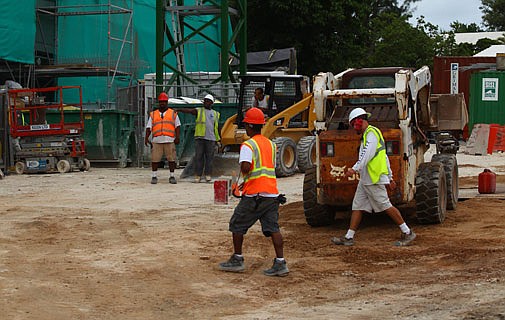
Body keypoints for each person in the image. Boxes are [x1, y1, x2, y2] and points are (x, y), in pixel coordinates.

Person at [331, 107, 416, 246]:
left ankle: (407, 232)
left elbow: (366, 156)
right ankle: (349, 237)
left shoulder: (371, 135)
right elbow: (384, 157)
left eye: (353, 125)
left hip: (373, 179)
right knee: (357, 206)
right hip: (366, 180)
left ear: (358, 121)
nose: (353, 128)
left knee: (385, 205)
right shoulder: (369, 135)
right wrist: (390, 177)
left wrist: (354, 169)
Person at [218, 107, 289, 277]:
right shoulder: (271, 145)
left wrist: (244, 177)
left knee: (237, 224)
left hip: (254, 196)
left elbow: (246, 166)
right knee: (273, 229)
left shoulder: (248, 145)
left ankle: (237, 259)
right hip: (271, 194)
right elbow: (266, 168)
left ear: (249, 126)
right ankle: (280, 263)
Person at [176, 94, 220, 183]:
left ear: (211, 103)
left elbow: (216, 128)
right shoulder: (199, 111)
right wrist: (179, 110)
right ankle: (198, 175)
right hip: (200, 138)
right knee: (199, 157)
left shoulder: (215, 114)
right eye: (205, 101)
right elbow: (189, 111)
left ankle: (208, 174)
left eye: (208, 101)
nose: (206, 102)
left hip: (211, 138)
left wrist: (218, 139)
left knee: (209, 158)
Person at [144, 92, 181, 185]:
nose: (162, 103)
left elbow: (177, 126)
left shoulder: (173, 113)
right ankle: (154, 176)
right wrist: (146, 137)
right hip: (157, 140)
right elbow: (149, 127)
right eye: (161, 102)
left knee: (171, 159)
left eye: (164, 102)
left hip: (169, 139)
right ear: (158, 102)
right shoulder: (153, 114)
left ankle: (172, 176)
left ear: (167, 102)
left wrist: (177, 137)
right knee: (155, 159)